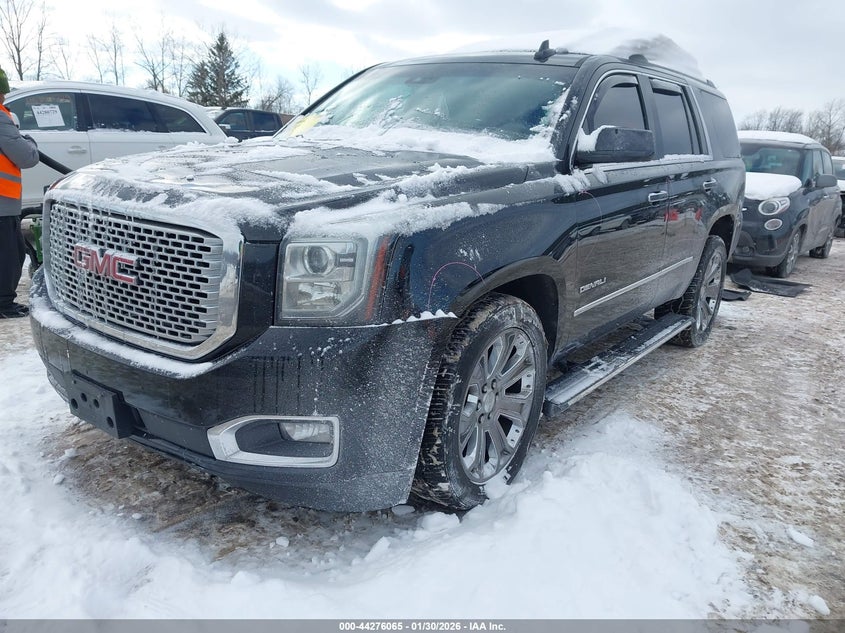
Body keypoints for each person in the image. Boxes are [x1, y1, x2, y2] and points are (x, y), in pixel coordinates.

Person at [0, 67, 39, 318]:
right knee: (10, 253)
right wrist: (30, 143)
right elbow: (26, 157)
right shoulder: (1, 117)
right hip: (2, 201)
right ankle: (3, 304)